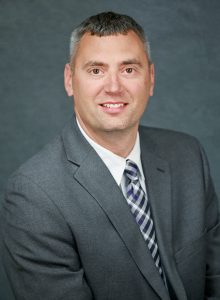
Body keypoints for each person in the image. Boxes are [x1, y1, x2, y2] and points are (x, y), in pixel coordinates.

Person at [1, 11, 220, 300]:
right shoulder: (33, 196)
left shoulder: (188, 155)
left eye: (129, 69)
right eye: (96, 70)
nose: (114, 87)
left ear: (150, 78)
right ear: (70, 80)